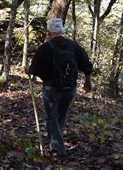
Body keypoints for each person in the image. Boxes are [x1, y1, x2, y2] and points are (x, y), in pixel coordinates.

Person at [27, 18, 93, 157]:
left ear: (49, 31)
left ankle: (58, 148)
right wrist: (88, 82)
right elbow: (86, 65)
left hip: (52, 88)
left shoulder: (45, 47)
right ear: (62, 30)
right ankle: (54, 142)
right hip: (70, 87)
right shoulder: (74, 46)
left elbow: (34, 69)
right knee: (61, 115)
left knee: (51, 117)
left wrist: (28, 70)